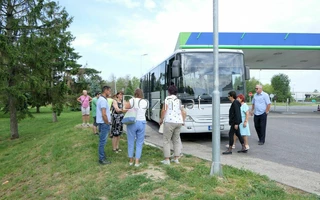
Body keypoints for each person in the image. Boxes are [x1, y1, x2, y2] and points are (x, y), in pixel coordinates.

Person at [159, 85, 185, 165]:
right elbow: (182, 111)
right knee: (176, 140)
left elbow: (164, 110)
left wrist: (161, 119)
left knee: (166, 140)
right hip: (178, 122)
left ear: (169, 92)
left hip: (169, 121)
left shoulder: (168, 99)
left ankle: (167, 160)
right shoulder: (178, 100)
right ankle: (176, 159)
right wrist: (183, 120)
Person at [124, 89, 148, 167]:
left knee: (131, 141)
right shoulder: (145, 102)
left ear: (135, 94)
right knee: (139, 142)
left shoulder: (132, 100)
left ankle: (131, 160)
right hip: (142, 122)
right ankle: (137, 161)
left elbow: (125, 108)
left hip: (132, 122)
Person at [96, 86, 112, 165]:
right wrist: (107, 122)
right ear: (105, 90)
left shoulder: (101, 99)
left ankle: (102, 156)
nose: (110, 92)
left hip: (101, 123)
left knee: (102, 141)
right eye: (109, 91)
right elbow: (103, 114)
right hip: (103, 123)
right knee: (103, 141)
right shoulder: (102, 100)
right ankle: (101, 159)